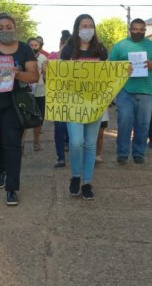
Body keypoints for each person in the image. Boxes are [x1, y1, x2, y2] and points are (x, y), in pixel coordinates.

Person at [0, 13, 39, 206]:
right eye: (0, 27)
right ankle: (0, 170)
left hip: (14, 104)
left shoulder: (25, 49)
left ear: (15, 28)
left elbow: (34, 77)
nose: (4, 30)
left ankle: (12, 188)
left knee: (12, 144)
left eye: (8, 26)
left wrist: (17, 74)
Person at [60, 14, 109, 200]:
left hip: (95, 103)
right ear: (77, 28)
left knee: (90, 144)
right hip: (73, 103)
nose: (87, 28)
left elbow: (109, 75)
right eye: (83, 25)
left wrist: (123, 71)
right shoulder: (68, 50)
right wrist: (48, 72)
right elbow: (58, 77)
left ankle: (87, 182)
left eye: (90, 25)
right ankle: (75, 176)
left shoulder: (100, 50)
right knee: (75, 142)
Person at [109, 18, 152, 164]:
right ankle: (122, 153)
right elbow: (109, 66)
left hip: (146, 92)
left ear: (145, 30)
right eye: (135, 29)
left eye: (141, 30)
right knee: (124, 124)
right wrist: (121, 68)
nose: (138, 32)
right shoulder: (120, 46)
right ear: (130, 29)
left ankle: (139, 153)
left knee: (142, 125)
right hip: (125, 91)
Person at [46, 30, 71, 168]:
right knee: (59, 127)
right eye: (64, 44)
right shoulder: (52, 58)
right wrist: (45, 71)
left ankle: (69, 150)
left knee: (71, 129)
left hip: (75, 98)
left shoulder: (77, 58)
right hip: (58, 98)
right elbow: (46, 79)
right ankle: (60, 157)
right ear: (60, 44)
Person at [27, 37, 47, 151]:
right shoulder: (23, 57)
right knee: (24, 118)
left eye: (36, 45)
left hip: (40, 92)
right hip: (26, 92)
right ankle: (22, 143)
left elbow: (46, 79)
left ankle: (36, 142)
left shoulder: (44, 58)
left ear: (39, 46)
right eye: (31, 45)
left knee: (38, 119)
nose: (34, 47)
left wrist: (45, 72)